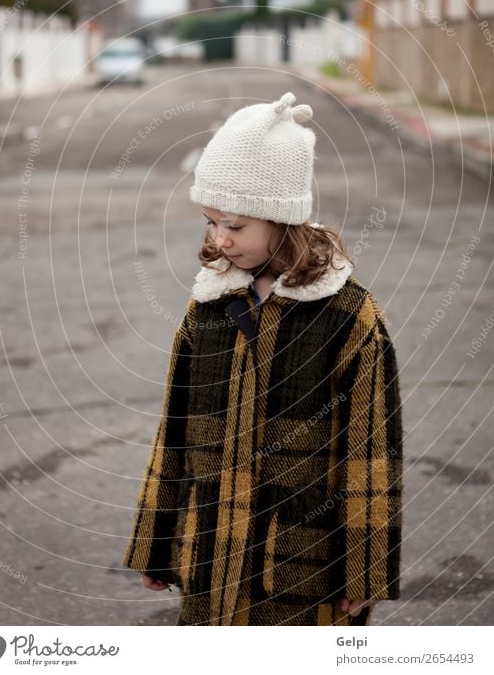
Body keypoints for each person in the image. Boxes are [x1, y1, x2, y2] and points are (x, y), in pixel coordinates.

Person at [122, 91, 403, 626]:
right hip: (209, 556)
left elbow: (371, 452)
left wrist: (368, 571)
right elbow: (174, 432)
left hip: (303, 568)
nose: (219, 239)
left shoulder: (347, 317)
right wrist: (156, 543)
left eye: (234, 225)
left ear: (281, 219)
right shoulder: (209, 307)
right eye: (211, 223)